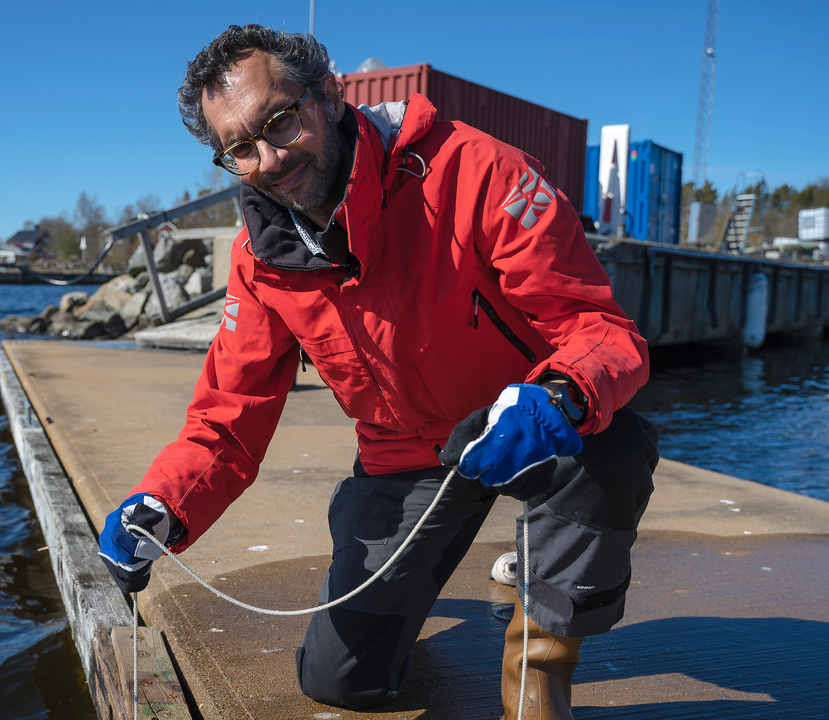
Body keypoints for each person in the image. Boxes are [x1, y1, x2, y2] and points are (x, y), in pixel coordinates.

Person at [99, 25, 658, 720]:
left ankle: (538, 677)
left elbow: (601, 330)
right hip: (406, 459)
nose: (270, 159)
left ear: (329, 93)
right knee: (338, 680)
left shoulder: (479, 170)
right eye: (240, 148)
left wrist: (560, 396)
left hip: (528, 425)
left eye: (280, 120)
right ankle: (411, 597)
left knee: (614, 450)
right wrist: (164, 505)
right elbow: (226, 419)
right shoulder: (258, 260)